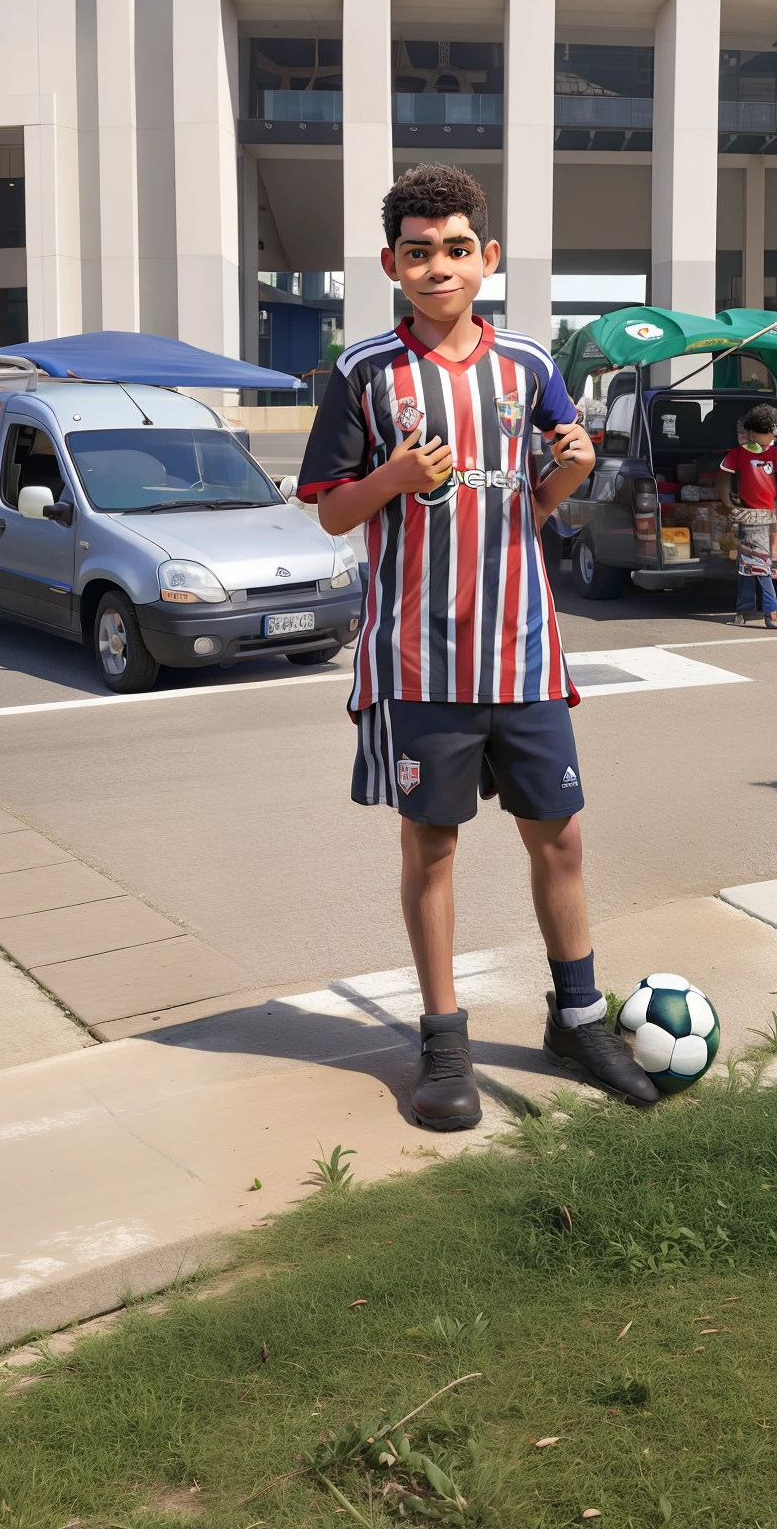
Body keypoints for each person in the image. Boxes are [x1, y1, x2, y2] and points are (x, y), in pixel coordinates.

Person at [298, 163, 659, 1128]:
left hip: (526, 650)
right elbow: (334, 514)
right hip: (418, 658)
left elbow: (529, 513)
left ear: (487, 258)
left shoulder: (531, 367)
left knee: (563, 838)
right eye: (419, 252)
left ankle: (578, 1018)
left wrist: (568, 474)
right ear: (391, 264)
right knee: (432, 850)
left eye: (457, 249)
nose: (439, 267)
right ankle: (444, 1042)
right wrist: (394, 476)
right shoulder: (364, 372)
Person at [715, 404, 777, 631]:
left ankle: (749, 610)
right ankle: (763, 612)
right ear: (768, 432)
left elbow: (721, 482)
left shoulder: (736, 454)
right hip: (765, 518)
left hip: (750, 518)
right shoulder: (776, 455)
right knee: (756, 565)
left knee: (752, 565)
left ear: (749, 432)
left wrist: (730, 504)